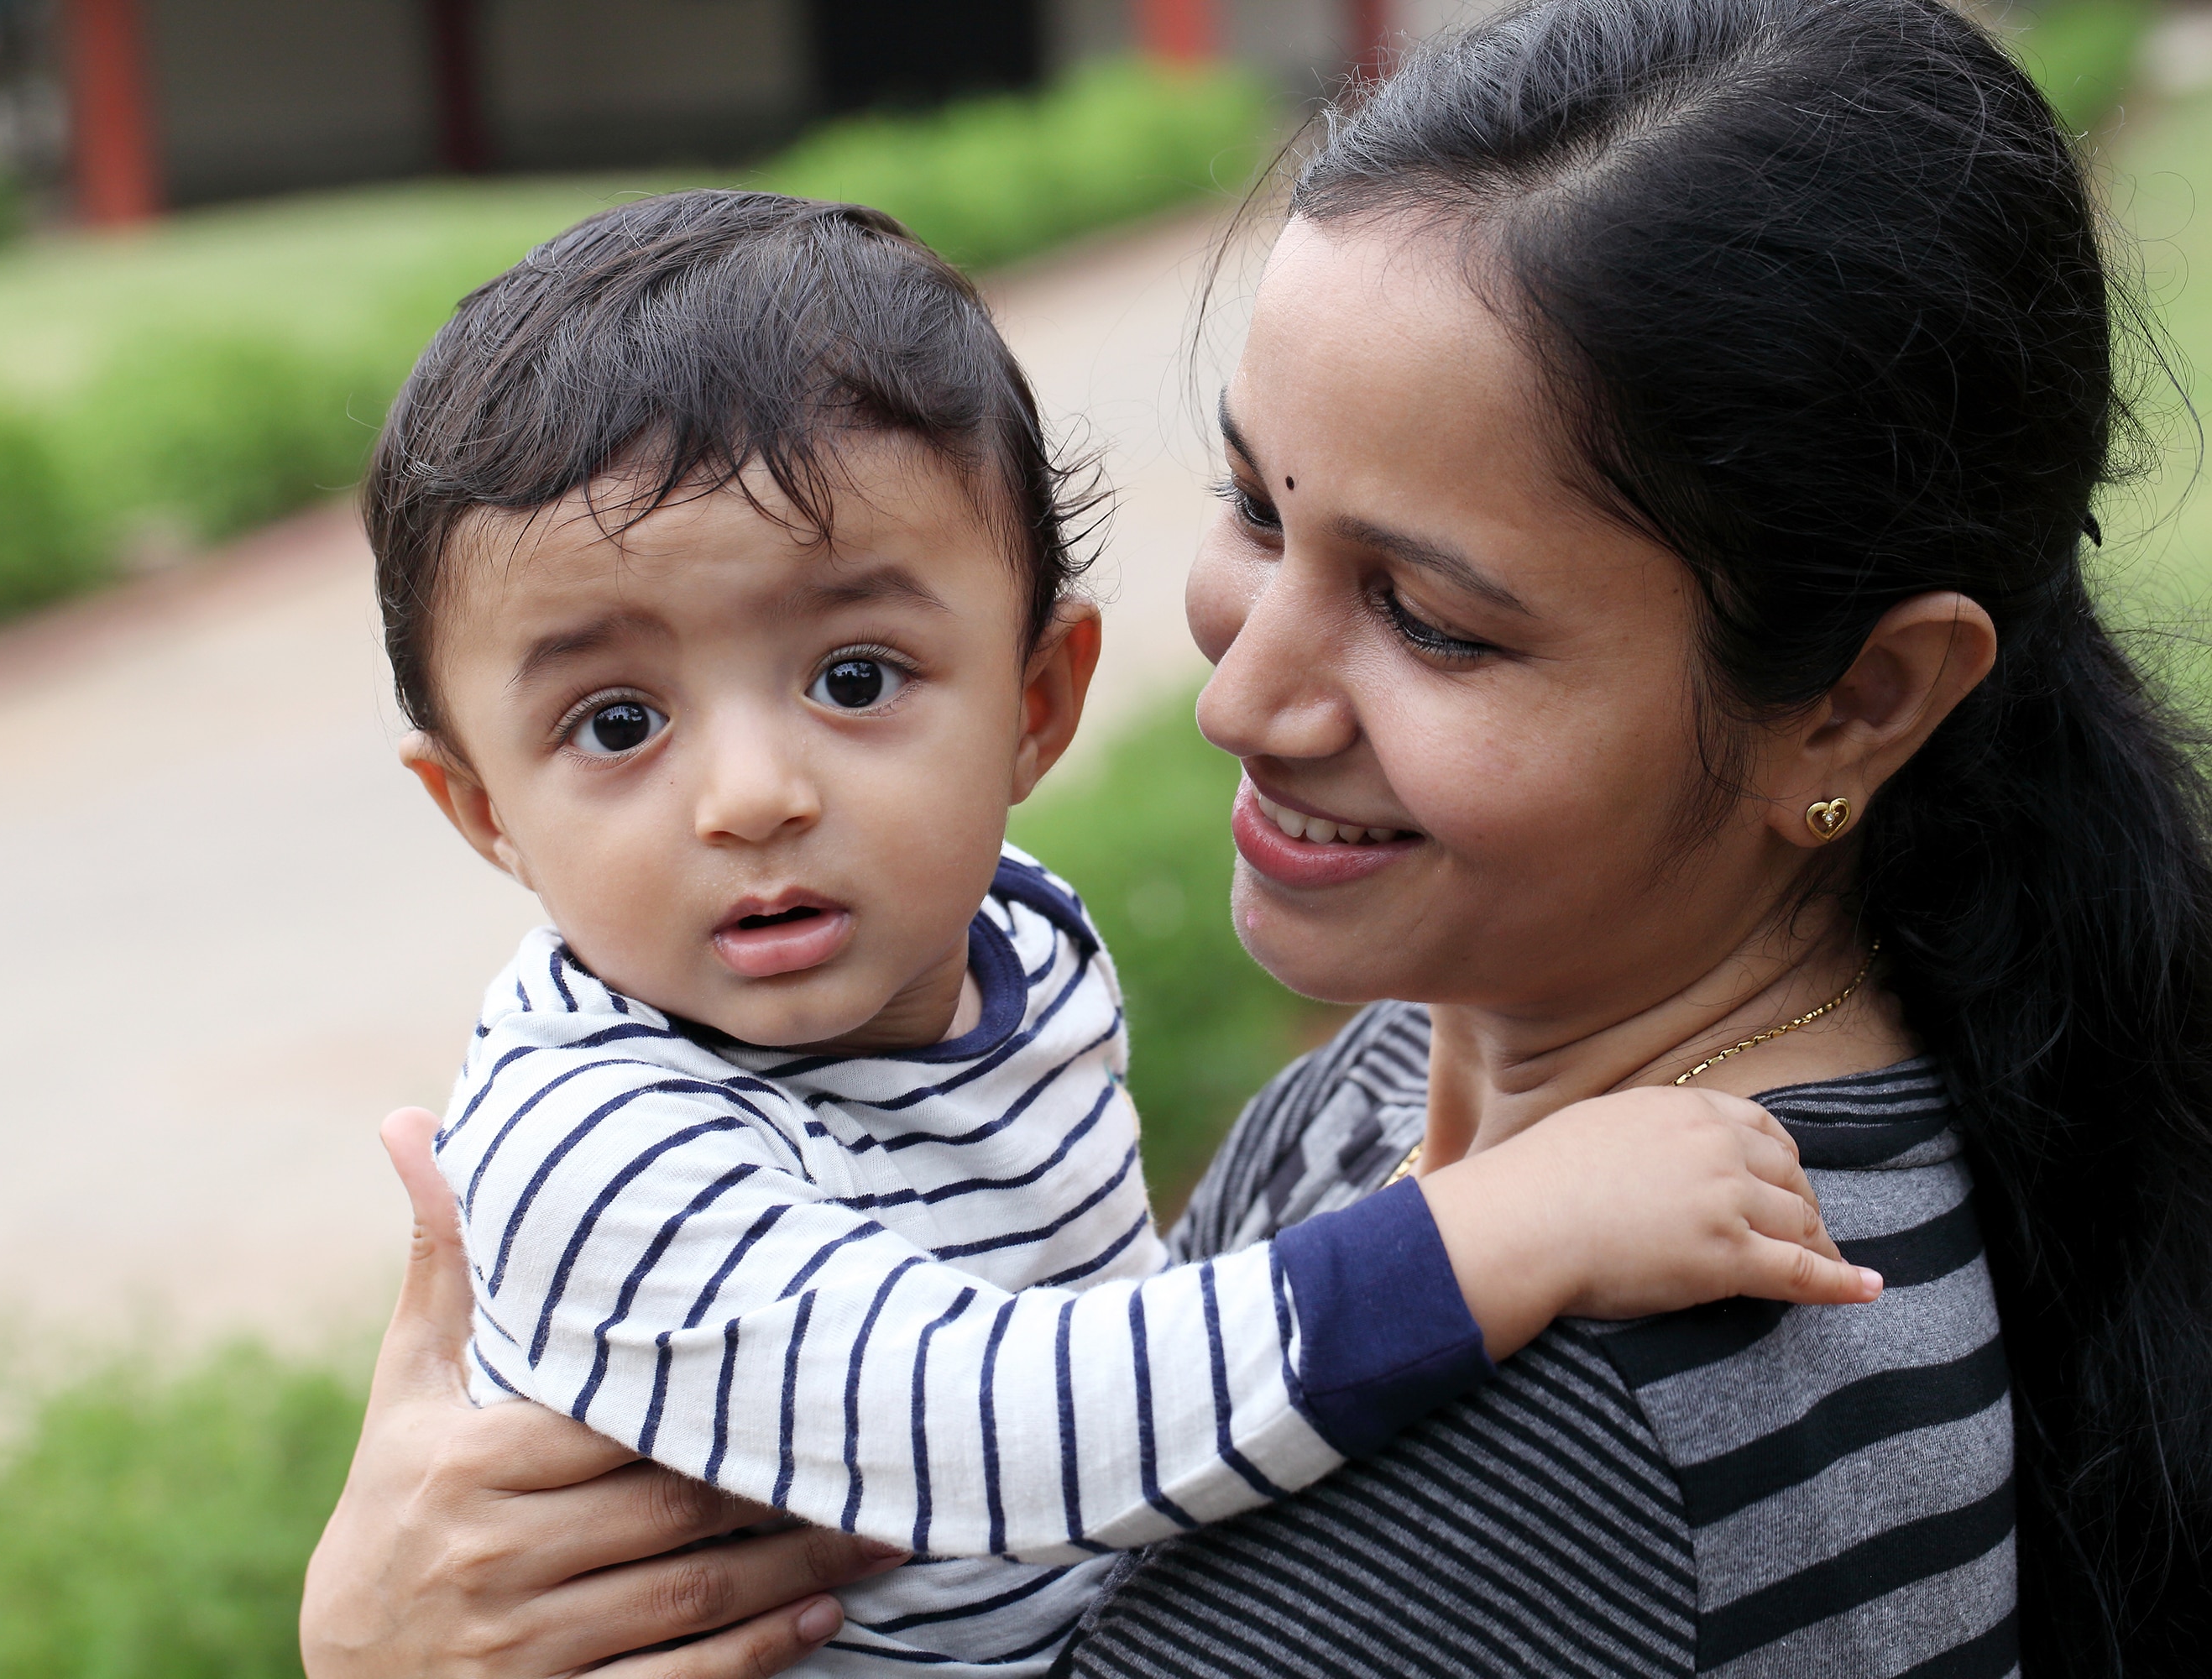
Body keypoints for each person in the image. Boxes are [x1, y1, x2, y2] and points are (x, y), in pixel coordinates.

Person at [304, 0, 2212, 1671]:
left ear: (1862, 700)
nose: (1240, 697)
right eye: (1256, 507)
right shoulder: (1410, 1077)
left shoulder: (1638, 1376)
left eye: (1436, 619)